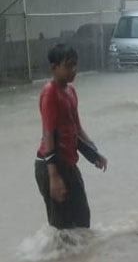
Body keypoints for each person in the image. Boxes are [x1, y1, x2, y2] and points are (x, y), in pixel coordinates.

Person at [34, 44, 108, 232]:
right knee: (61, 228)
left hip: (68, 164)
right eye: (68, 66)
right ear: (54, 67)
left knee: (82, 219)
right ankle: (57, 261)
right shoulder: (50, 93)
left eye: (75, 65)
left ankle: (80, 261)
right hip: (50, 164)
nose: (73, 70)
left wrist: (94, 153)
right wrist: (54, 177)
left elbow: (76, 129)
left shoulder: (71, 91)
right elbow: (48, 134)